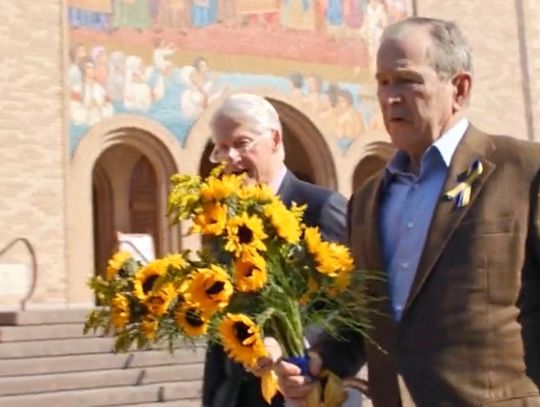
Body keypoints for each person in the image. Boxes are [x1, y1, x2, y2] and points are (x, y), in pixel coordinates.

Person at [276, 16, 540, 407]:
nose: (390, 97)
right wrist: (320, 360)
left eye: (407, 81)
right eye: (383, 83)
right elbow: (367, 313)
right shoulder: (366, 201)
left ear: (459, 88)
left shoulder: (523, 171)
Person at [201, 93, 348, 407]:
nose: (231, 158)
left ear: (275, 139)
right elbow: (220, 331)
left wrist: (295, 346)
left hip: (306, 393)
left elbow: (346, 307)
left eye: (241, 143)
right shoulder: (225, 225)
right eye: (221, 148)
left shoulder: (322, 207)